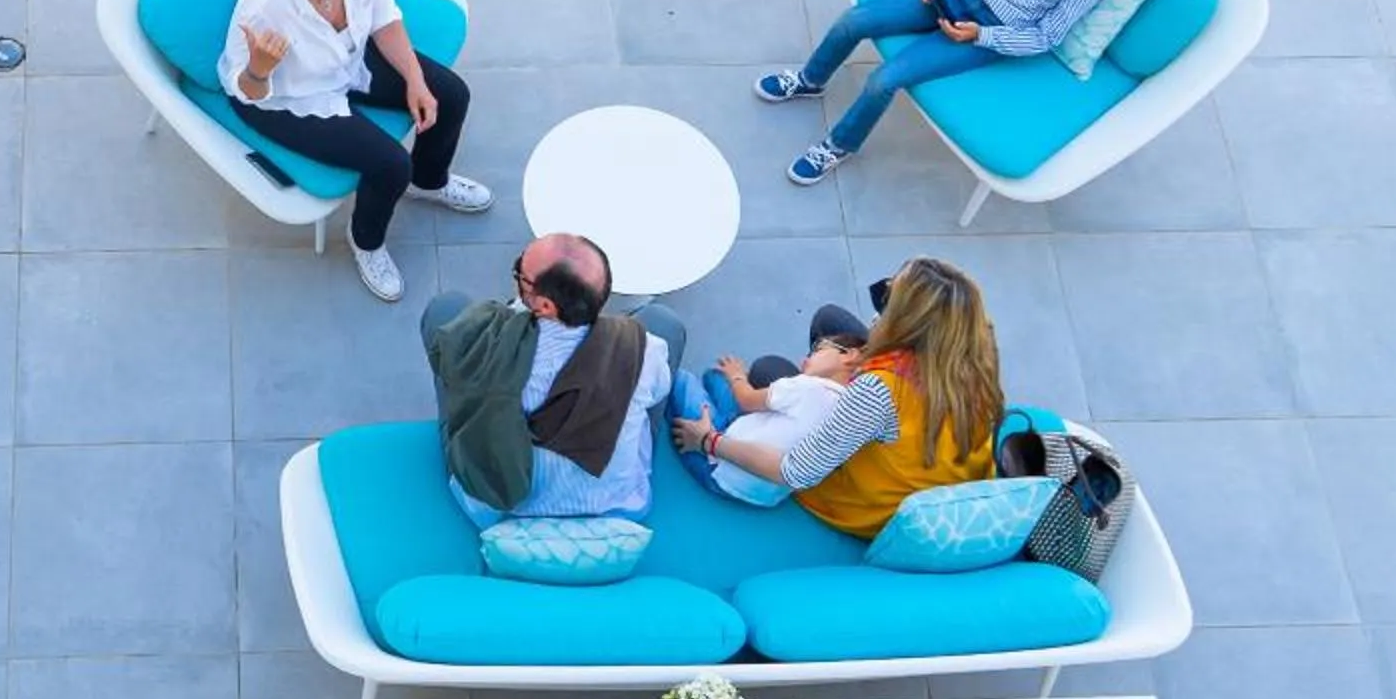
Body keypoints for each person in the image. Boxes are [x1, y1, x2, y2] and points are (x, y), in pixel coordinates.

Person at [758, 0, 1126, 185]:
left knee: (884, 80)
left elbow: (1046, 37)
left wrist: (980, 36)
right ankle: (810, 80)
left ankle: (839, 145)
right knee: (853, 21)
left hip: (988, 31)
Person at [221, 0, 488, 303]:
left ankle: (429, 181)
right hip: (286, 97)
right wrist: (260, 68)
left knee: (450, 95)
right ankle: (366, 241)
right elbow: (245, 90)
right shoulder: (265, 1)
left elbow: (384, 18)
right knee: (390, 165)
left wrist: (415, 80)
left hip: (348, 58)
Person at [670, 258, 1003, 537]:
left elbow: (794, 472)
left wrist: (710, 441)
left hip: (868, 499)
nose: (877, 308)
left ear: (908, 325)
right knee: (829, 321)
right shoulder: (972, 356)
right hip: (929, 463)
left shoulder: (876, 392)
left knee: (768, 369)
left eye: (887, 299)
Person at [421, 233, 686, 529]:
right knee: (662, 321)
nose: (516, 276)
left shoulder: (487, 343)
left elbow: (454, 358)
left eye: (520, 273)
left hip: (497, 512)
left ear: (546, 306)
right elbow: (658, 391)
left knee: (446, 309)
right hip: (616, 510)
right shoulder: (645, 350)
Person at [672, 305, 870, 507]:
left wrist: (737, 375)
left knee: (684, 379)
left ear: (850, 355)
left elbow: (746, 400)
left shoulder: (805, 387)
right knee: (717, 380)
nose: (806, 358)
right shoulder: (850, 410)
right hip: (765, 494)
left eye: (818, 349)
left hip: (719, 470)